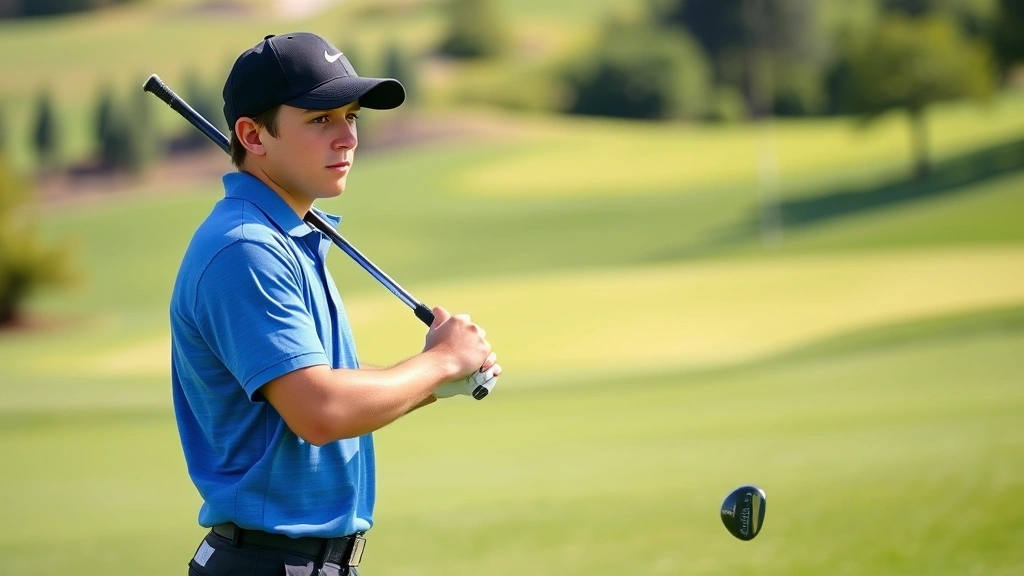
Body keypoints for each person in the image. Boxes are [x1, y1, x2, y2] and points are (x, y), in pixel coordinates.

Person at [169, 32, 500, 576]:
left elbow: (327, 382)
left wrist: (438, 382)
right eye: (320, 119)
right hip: (269, 562)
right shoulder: (246, 248)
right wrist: (439, 362)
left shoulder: (280, 239)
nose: (346, 138)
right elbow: (320, 410)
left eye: (351, 116)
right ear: (252, 135)